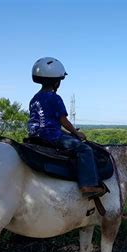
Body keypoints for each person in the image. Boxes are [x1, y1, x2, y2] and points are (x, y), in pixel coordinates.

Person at [27, 57, 106, 196]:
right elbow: (63, 120)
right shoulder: (54, 98)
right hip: (50, 137)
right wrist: (76, 133)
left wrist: (68, 133)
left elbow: (48, 122)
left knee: (70, 139)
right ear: (56, 81)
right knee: (85, 149)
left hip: (35, 135)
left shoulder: (34, 98)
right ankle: (88, 185)